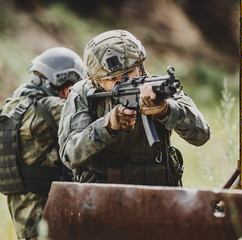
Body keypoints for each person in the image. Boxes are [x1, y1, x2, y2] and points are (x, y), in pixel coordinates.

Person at [58, 29, 211, 186]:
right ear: (98, 81)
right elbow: (70, 156)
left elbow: (202, 135)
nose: (123, 81)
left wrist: (167, 111)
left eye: (129, 72)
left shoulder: (156, 88)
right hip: (99, 198)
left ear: (140, 67)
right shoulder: (83, 95)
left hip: (156, 195)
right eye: (113, 79)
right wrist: (107, 126)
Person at [0, 47, 84, 239]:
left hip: (19, 204)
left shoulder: (11, 106)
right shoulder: (52, 107)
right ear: (65, 84)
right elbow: (90, 113)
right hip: (45, 205)